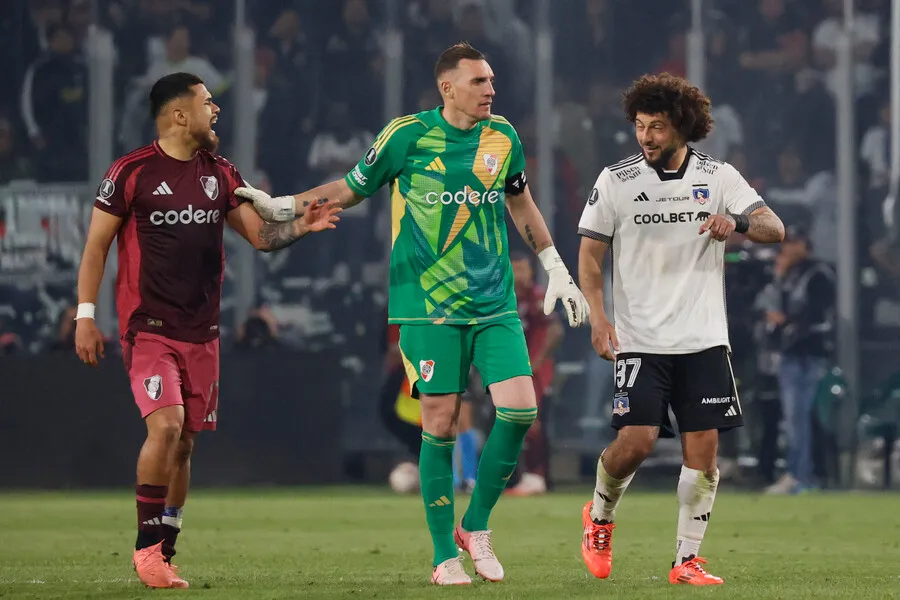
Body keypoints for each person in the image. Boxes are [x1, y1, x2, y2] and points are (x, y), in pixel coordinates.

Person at [236, 42, 589, 585]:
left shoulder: (505, 138)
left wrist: (554, 265)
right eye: (478, 81)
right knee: (439, 423)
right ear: (448, 87)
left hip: (493, 301)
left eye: (492, 80)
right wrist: (285, 205)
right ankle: (443, 555)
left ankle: (476, 526)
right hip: (427, 305)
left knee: (520, 411)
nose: (490, 89)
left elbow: (519, 201)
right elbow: (350, 189)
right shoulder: (406, 135)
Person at [73, 72, 340, 589]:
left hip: (203, 330)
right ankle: (147, 550)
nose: (215, 110)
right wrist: (86, 315)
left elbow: (261, 236)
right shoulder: (131, 173)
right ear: (179, 114)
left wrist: (301, 227)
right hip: (147, 326)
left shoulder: (221, 172)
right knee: (166, 425)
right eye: (207, 102)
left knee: (186, 443)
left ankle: (166, 550)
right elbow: (96, 248)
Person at [577, 73, 785, 586]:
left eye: (658, 127)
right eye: (640, 127)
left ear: (683, 127)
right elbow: (588, 254)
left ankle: (685, 560)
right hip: (640, 338)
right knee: (638, 442)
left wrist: (734, 224)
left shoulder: (717, 176)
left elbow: (774, 229)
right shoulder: (616, 180)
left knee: (704, 452)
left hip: (703, 337)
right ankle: (599, 517)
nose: (646, 137)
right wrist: (598, 317)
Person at [760, 224, 835, 495]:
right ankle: (800, 473)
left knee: (800, 418)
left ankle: (801, 475)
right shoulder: (787, 273)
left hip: (811, 354)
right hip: (791, 353)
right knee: (795, 418)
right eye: (786, 243)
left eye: (794, 242)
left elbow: (816, 314)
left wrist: (786, 321)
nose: (788, 248)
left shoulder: (819, 273)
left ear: (806, 245)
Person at [505, 251, 563, 496]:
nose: (519, 275)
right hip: (512, 371)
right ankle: (520, 477)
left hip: (535, 372)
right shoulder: (503, 298)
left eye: (523, 269)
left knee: (532, 421)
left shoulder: (538, 297)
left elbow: (556, 330)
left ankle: (536, 476)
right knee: (511, 421)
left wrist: (537, 361)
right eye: (514, 269)